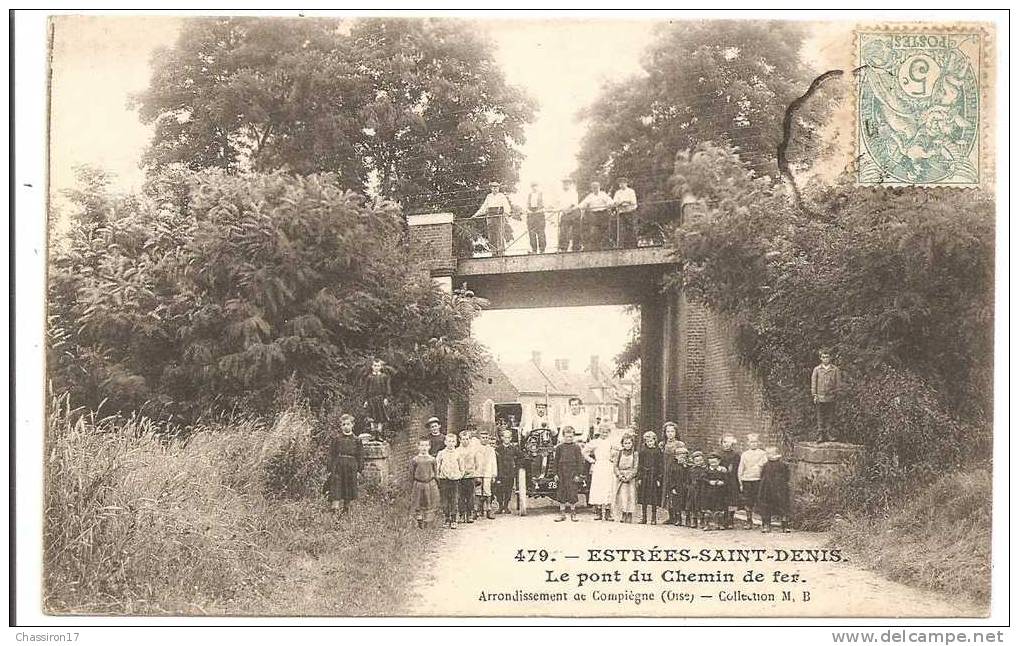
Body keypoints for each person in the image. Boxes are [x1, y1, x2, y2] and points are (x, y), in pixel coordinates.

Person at [326, 413, 363, 515]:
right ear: (340, 426)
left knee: (349, 487)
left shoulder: (357, 440)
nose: (345, 426)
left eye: (348, 424)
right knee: (336, 487)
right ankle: (334, 511)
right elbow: (331, 454)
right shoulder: (337, 439)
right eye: (343, 424)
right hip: (338, 466)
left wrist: (359, 470)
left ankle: (346, 510)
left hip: (351, 466)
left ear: (352, 425)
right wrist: (330, 468)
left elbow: (360, 456)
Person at [583, 422, 616, 521]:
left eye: (606, 432)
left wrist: (613, 457)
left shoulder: (611, 442)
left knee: (608, 487)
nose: (604, 434)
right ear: (599, 432)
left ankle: (607, 512)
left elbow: (619, 450)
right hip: (599, 466)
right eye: (602, 432)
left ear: (609, 433)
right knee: (598, 487)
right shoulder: (595, 442)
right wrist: (591, 460)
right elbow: (584, 452)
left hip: (608, 466)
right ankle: (598, 512)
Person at [553, 427, 585, 522]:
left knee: (572, 493)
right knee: (561, 493)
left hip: (572, 473)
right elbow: (556, 461)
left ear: (573, 437)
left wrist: (578, 474)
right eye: (567, 437)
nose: (569, 439)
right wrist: (555, 474)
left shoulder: (576, 447)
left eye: (571, 437)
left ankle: (573, 513)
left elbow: (580, 462)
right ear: (563, 436)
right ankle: (562, 514)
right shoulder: (559, 447)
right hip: (562, 473)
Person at [757, 446, 792, 533]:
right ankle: (766, 524)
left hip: (780, 489)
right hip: (767, 488)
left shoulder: (783, 465)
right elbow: (762, 476)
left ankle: (785, 525)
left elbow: (787, 477)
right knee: (766, 506)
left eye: (770, 453)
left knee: (783, 506)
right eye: (767, 454)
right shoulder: (765, 465)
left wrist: (781, 484)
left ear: (776, 454)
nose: (768, 455)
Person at [811, 349, 843, 442]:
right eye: (823, 357)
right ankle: (821, 434)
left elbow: (838, 383)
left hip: (831, 396)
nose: (825, 359)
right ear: (820, 358)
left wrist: (836, 393)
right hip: (820, 396)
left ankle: (829, 433)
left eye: (827, 357)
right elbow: (814, 383)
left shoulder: (835, 369)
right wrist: (814, 395)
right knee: (820, 415)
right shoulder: (817, 369)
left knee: (830, 415)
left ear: (830, 357)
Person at [473, 181, 513, 256]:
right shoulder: (489, 196)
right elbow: (484, 208)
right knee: (491, 234)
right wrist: (475, 215)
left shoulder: (501, 196)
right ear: (491, 188)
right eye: (493, 187)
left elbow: (507, 206)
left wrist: (505, 213)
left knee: (499, 233)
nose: (495, 189)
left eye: (496, 187)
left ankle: (500, 251)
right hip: (490, 217)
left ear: (498, 188)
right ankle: (493, 251)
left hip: (499, 216)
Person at [738, 433, 768, 530]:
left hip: (758, 480)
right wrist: (740, 481)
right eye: (751, 442)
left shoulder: (763, 454)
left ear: (758, 443)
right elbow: (741, 468)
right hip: (747, 480)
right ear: (748, 443)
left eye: (755, 442)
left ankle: (764, 523)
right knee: (748, 501)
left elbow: (764, 466)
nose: (754, 444)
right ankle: (749, 520)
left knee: (761, 501)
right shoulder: (745, 454)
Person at [410, 439, 440, 528]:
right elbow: (412, 473)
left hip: (430, 483)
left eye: (426, 445)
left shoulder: (432, 459)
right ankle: (420, 521)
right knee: (418, 502)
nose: (424, 448)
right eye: (422, 446)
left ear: (429, 447)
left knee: (429, 501)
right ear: (418, 447)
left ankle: (428, 522)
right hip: (418, 484)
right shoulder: (415, 459)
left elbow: (435, 472)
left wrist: (436, 482)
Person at [435, 433, 463, 529]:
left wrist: (459, 475)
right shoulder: (441, 453)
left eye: (453, 441)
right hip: (444, 479)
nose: (450, 443)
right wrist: (438, 475)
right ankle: (447, 518)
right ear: (445, 442)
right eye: (449, 441)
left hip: (455, 480)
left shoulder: (458, 453)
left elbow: (461, 466)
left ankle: (454, 519)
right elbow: (437, 466)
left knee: (454, 499)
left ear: (455, 443)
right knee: (445, 500)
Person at [637, 431, 664, 524]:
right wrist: (639, 477)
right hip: (645, 475)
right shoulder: (643, 451)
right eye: (648, 441)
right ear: (645, 442)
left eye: (651, 441)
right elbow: (640, 464)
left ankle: (653, 518)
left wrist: (659, 478)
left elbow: (660, 465)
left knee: (654, 497)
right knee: (643, 496)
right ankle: (644, 517)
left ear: (655, 441)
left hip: (654, 476)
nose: (650, 443)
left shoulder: (657, 451)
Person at [578, 181, 614, 251]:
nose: (595, 189)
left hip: (603, 213)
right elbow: (582, 205)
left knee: (605, 229)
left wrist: (608, 205)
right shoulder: (590, 196)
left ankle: (606, 246)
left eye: (596, 188)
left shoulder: (603, 194)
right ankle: (596, 247)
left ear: (599, 188)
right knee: (594, 231)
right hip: (594, 215)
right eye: (594, 188)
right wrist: (581, 207)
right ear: (592, 189)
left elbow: (611, 201)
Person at [494, 428, 524, 514]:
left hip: (510, 473)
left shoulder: (514, 448)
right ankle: (500, 506)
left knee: (508, 490)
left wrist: (516, 467)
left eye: (508, 437)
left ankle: (506, 506)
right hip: (500, 473)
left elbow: (521, 457)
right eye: (505, 437)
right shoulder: (498, 449)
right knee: (498, 490)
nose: (507, 439)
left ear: (511, 438)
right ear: (502, 438)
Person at [613, 432, 639, 523]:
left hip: (630, 477)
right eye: (625, 443)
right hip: (621, 477)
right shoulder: (619, 453)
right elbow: (615, 466)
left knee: (631, 496)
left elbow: (636, 467)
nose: (627, 445)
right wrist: (620, 475)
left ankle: (630, 513)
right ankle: (623, 513)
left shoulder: (635, 454)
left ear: (632, 443)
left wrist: (630, 476)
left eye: (629, 443)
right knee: (622, 496)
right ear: (622, 444)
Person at [363, 358, 391, 441]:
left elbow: (387, 388)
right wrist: (366, 400)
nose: (376, 367)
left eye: (378, 366)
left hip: (380, 399)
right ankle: (373, 435)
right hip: (371, 399)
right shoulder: (369, 377)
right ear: (372, 366)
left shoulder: (384, 377)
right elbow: (366, 389)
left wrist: (386, 398)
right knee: (372, 416)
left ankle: (379, 435)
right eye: (375, 365)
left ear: (381, 367)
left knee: (380, 417)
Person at [659, 422, 683, 521]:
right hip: (666, 471)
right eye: (668, 431)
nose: (670, 434)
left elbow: (683, 458)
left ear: (676, 432)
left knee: (676, 492)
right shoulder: (662, 444)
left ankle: (678, 516)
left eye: (672, 431)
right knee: (667, 492)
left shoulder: (680, 444)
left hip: (676, 472)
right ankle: (671, 515)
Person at [700, 453, 729, 531]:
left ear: (719, 461)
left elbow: (727, 480)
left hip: (719, 493)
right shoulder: (706, 470)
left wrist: (722, 482)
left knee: (719, 508)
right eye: (711, 462)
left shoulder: (722, 470)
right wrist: (709, 482)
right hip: (708, 493)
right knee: (708, 509)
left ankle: (719, 524)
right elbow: (702, 479)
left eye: (715, 462)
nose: (713, 464)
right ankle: (707, 524)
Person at [718, 435, 742, 529]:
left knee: (732, 500)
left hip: (732, 480)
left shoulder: (736, 455)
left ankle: (731, 519)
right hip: (722, 479)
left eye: (729, 442)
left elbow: (738, 467)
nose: (727, 444)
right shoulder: (718, 454)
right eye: (725, 442)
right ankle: (723, 519)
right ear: (721, 443)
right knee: (722, 499)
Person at [476, 430, 499, 520]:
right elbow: (474, 462)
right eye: (483, 438)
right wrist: (475, 473)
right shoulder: (476, 448)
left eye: (486, 438)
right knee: (478, 491)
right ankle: (477, 510)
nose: (485, 440)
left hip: (488, 472)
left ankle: (489, 509)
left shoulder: (491, 450)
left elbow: (494, 463)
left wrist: (494, 475)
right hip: (478, 472)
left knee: (487, 491)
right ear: (479, 438)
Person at [457, 429, 479, 523]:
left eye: (467, 439)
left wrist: (473, 472)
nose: (465, 441)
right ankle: (462, 515)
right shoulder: (457, 451)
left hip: (470, 476)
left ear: (470, 439)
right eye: (463, 439)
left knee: (470, 496)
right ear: (459, 440)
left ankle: (470, 514)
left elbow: (477, 463)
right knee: (461, 496)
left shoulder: (473, 451)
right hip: (460, 477)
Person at [665, 447, 690, 526]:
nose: (682, 458)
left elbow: (689, 476)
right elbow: (671, 477)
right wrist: (672, 487)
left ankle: (687, 519)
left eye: (684, 456)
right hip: (677, 487)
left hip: (685, 487)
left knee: (686, 503)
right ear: (676, 457)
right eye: (680, 456)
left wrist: (685, 467)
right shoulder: (673, 466)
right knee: (676, 503)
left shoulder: (688, 466)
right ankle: (677, 518)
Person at [612, 177, 639, 248]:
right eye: (620, 183)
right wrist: (623, 202)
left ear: (626, 183)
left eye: (623, 183)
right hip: (621, 212)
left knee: (632, 228)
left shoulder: (631, 191)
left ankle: (633, 245)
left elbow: (633, 202)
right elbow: (615, 203)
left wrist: (623, 202)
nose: (621, 185)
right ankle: (621, 245)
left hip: (630, 212)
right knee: (621, 229)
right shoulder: (617, 193)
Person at [557, 178, 582, 252]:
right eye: (564, 183)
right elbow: (559, 204)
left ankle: (576, 247)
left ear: (570, 184)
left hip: (574, 212)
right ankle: (563, 247)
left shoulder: (573, 192)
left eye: (567, 183)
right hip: (565, 213)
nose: (565, 185)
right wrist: (562, 210)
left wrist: (567, 210)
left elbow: (573, 203)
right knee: (563, 230)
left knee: (576, 231)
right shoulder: (561, 194)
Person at [685, 451, 706, 528]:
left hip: (702, 489)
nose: (699, 462)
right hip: (693, 489)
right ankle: (694, 520)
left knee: (702, 505)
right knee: (693, 505)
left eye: (700, 460)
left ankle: (702, 520)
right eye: (697, 461)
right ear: (693, 461)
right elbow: (688, 480)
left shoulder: (705, 469)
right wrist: (689, 487)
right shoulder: (691, 470)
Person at [525, 181, 546, 254]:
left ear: (538, 186)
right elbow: (527, 206)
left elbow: (545, 205)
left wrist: (539, 210)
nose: (534, 188)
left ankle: (542, 249)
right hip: (531, 215)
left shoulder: (541, 194)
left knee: (541, 232)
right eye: (533, 186)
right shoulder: (529, 195)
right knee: (531, 233)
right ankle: (534, 249)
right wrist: (528, 211)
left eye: (535, 186)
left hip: (539, 214)